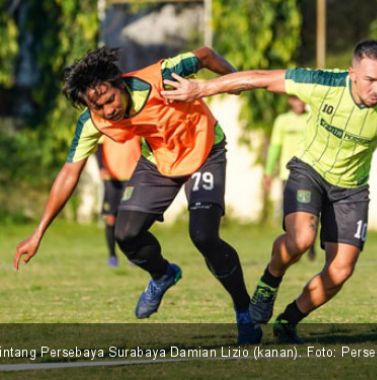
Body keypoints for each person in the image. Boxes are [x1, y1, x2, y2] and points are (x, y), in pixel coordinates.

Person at [162, 39, 377, 343]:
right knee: (301, 239)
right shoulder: (325, 84)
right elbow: (260, 78)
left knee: (341, 270)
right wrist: (201, 89)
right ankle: (269, 282)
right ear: (352, 74)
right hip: (309, 171)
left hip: (351, 189)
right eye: (370, 80)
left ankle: (288, 320)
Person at [13, 46, 261, 344]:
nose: (108, 111)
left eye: (109, 100)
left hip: (205, 150)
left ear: (120, 83)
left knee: (204, 236)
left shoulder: (162, 75)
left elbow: (206, 55)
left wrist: (231, 81)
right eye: (98, 107)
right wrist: (38, 232)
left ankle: (244, 312)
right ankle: (162, 274)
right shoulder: (92, 122)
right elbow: (69, 173)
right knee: (126, 233)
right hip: (158, 160)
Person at [263, 96, 316, 260]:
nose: (299, 103)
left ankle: (310, 245)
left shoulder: (312, 119)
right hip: (288, 175)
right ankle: (293, 244)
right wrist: (268, 171)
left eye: (301, 100)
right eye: (295, 100)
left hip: (309, 174)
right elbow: (275, 147)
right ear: (290, 101)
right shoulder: (282, 121)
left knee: (310, 211)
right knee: (290, 213)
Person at [96, 135, 141, 267]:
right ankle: (112, 255)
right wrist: (101, 168)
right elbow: (98, 149)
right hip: (111, 179)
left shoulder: (137, 123)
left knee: (132, 219)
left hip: (132, 177)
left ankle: (132, 255)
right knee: (110, 219)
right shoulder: (107, 124)